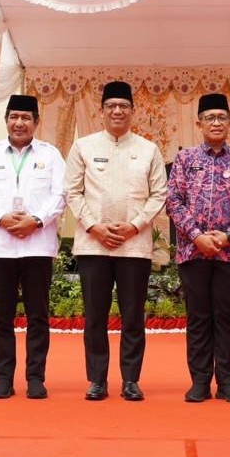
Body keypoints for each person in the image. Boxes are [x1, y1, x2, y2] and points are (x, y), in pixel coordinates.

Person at [65, 80, 168, 401]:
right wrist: (94, 226)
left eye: (124, 106)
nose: (118, 111)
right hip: (93, 244)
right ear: (102, 111)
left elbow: (159, 194)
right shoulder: (84, 146)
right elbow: (72, 191)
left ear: (133, 112)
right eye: (112, 106)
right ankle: (97, 379)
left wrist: (135, 225)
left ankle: (130, 380)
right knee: (95, 316)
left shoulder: (148, 149)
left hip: (134, 246)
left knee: (133, 315)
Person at [0, 94, 65, 399]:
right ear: (6, 120)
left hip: (38, 245)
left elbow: (61, 195)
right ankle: (4, 378)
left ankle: (36, 377)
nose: (19, 123)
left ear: (36, 122)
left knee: (38, 316)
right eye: (14, 117)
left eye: (26, 117)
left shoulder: (51, 155)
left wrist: (35, 221)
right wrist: (3, 218)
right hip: (0, 246)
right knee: (1, 316)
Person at [167, 92, 230, 404]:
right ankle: (200, 381)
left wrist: (227, 235)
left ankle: (229, 382)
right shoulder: (185, 159)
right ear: (199, 123)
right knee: (198, 317)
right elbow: (174, 202)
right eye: (210, 118)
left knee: (227, 316)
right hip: (193, 252)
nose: (216, 122)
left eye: (222, 117)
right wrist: (197, 236)